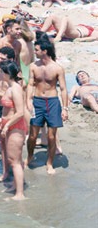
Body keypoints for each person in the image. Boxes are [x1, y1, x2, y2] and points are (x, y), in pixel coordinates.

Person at [26, 35, 69, 175]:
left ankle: (49, 163)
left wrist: (65, 108)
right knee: (32, 135)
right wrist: (28, 101)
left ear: (44, 51)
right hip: (37, 102)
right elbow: (30, 84)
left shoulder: (57, 68)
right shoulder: (33, 66)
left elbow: (63, 89)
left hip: (52, 103)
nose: (35, 52)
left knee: (51, 136)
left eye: (37, 50)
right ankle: (30, 156)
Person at [0, 61, 28, 200]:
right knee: (14, 159)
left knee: (14, 160)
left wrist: (7, 125)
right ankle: (16, 185)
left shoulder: (15, 89)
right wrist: (0, 120)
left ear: (8, 74)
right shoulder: (10, 88)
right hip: (8, 124)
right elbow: (8, 109)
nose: (0, 73)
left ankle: (20, 194)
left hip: (16, 127)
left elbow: (20, 112)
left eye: (2, 71)